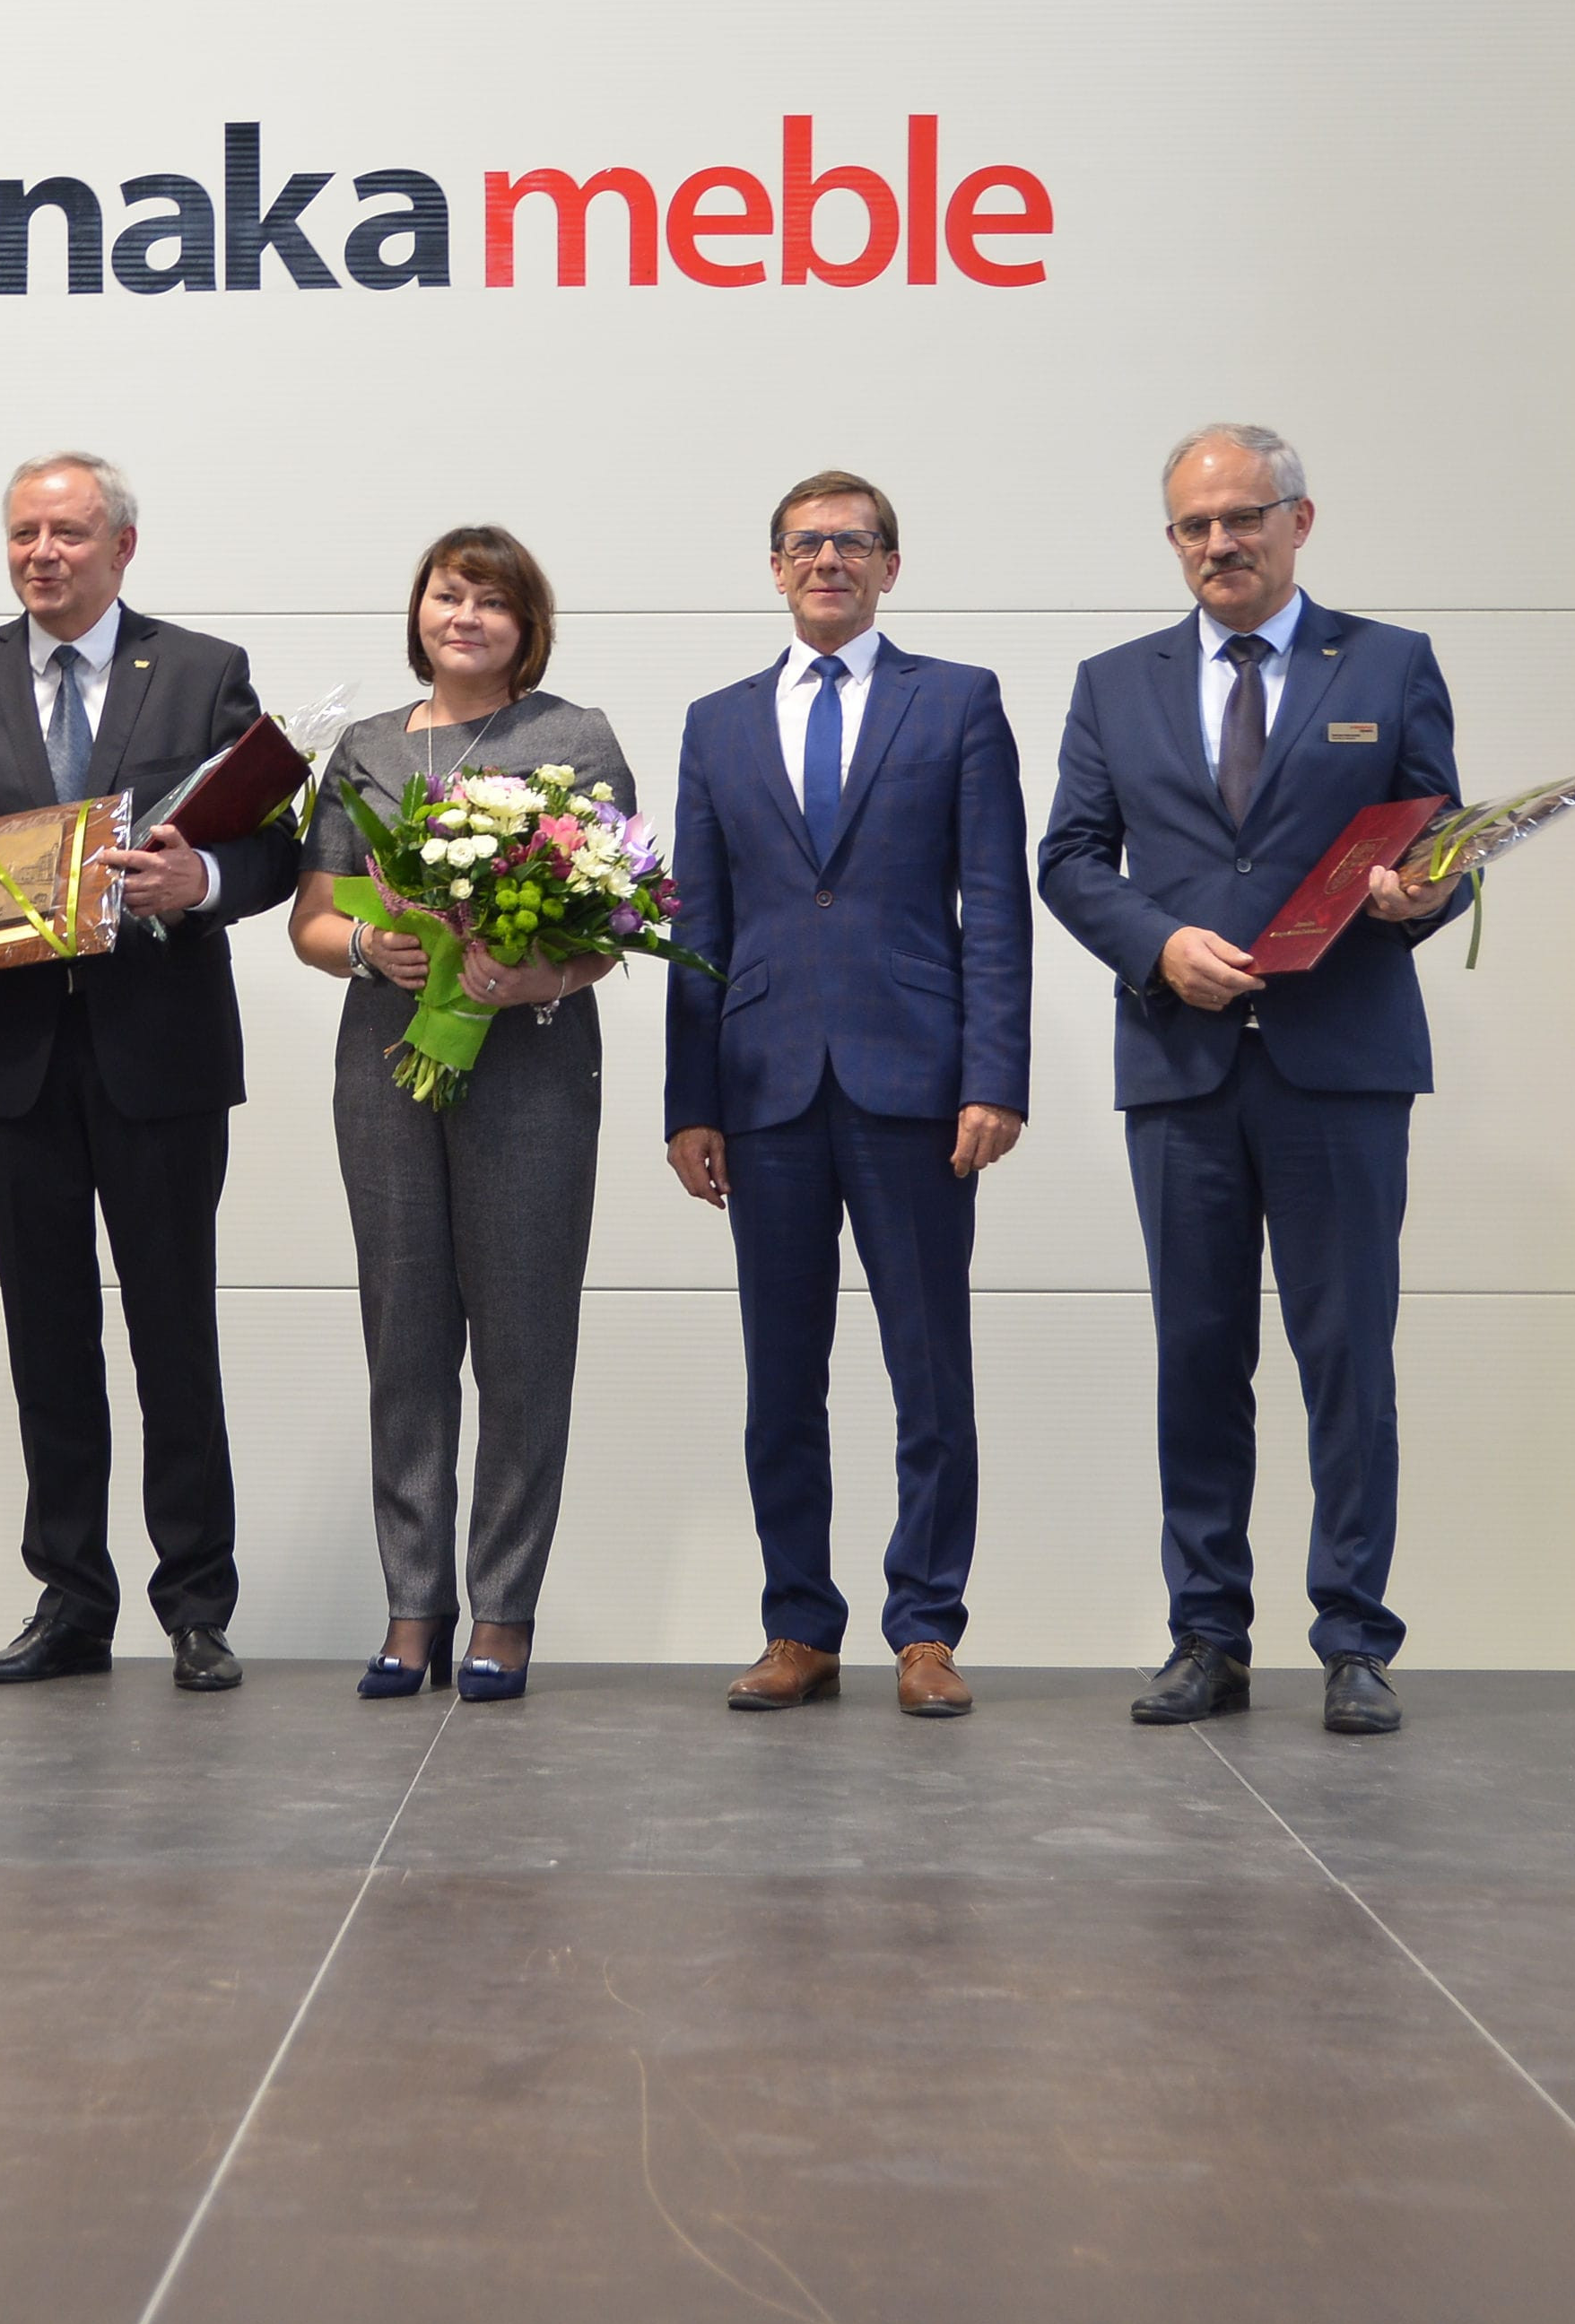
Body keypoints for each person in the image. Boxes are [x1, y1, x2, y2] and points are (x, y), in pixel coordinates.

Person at [1035, 423, 1471, 1738]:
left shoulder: (1389, 664)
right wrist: (1158, 946)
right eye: (1194, 525)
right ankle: (1206, 1635)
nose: (1219, 543)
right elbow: (1070, 859)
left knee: (1347, 1358)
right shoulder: (1115, 683)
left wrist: (1423, 894)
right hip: (1183, 1066)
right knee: (1198, 1357)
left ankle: (1355, 1640)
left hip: (1341, 1065)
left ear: (1300, 520)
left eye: (1242, 518)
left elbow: (1445, 842)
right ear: (1173, 539)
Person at [0, 452, 303, 1692]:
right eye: (25, 532)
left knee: (174, 1331)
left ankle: (197, 1606)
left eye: (68, 533)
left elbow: (275, 847)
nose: (43, 554)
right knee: (48, 1335)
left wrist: (202, 881)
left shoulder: (202, 670)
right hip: (7, 1058)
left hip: (160, 1055)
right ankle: (71, 1599)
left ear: (123, 547)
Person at [665, 469, 1031, 1721]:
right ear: (776, 569)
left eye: (854, 543)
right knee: (783, 1376)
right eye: (807, 544)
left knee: (929, 1368)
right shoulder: (717, 723)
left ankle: (926, 1628)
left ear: (890, 566)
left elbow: (997, 905)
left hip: (916, 1084)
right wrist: (689, 1101)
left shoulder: (959, 701)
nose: (830, 560)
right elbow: (697, 925)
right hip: (763, 1089)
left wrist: (994, 1075)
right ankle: (798, 1627)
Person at [290, 527, 635, 1703]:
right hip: (386, 1064)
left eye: (492, 601)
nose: (466, 617)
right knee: (405, 1338)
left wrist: (538, 973)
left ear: (526, 626)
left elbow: (619, 918)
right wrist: (367, 945)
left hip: (532, 1066)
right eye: (448, 595)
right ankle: (412, 1607)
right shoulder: (368, 749)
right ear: (419, 613)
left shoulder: (574, 738)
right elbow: (311, 919)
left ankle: (504, 1611)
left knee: (524, 1345)